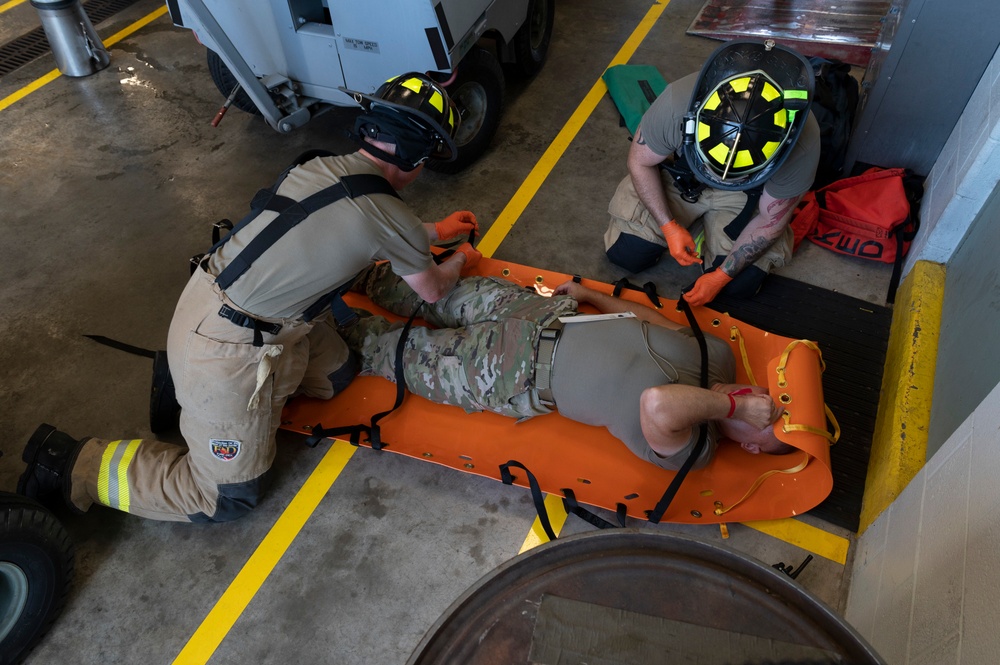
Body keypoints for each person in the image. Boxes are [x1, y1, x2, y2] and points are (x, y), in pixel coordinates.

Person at [18, 72, 484, 522]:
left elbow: (371, 227)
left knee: (339, 375)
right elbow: (434, 288)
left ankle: (180, 382)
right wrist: (461, 256)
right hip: (229, 352)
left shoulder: (318, 167)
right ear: (417, 159)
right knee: (225, 500)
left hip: (209, 303)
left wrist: (435, 232)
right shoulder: (391, 215)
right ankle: (75, 464)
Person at [344, 264, 792, 470]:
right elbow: (657, 323)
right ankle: (346, 271)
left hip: (508, 372)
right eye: (774, 403)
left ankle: (309, 331)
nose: (761, 406)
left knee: (383, 350)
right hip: (544, 314)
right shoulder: (720, 356)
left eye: (765, 422)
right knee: (428, 286)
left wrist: (732, 409)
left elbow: (657, 403)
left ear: (752, 447)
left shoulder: (696, 449)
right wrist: (596, 298)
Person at [604, 39, 821, 306]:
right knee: (628, 253)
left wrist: (719, 276)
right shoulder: (678, 103)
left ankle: (707, 231)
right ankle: (695, 223)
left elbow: (771, 219)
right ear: (694, 127)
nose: (718, 181)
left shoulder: (801, 144)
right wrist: (668, 227)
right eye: (712, 169)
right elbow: (640, 162)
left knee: (738, 285)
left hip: (748, 196)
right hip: (684, 177)